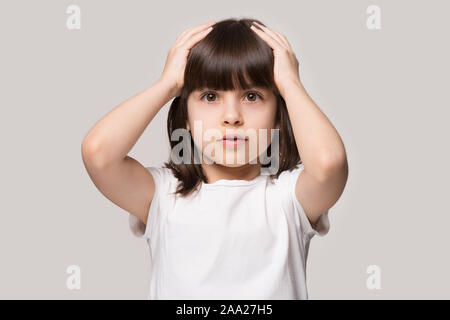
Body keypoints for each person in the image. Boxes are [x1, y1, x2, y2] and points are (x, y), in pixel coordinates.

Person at [81, 18, 348, 300]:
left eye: (252, 96)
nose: (231, 116)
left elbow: (329, 162)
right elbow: (99, 153)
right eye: (210, 96)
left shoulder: (289, 199)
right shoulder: (162, 196)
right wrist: (167, 84)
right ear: (185, 116)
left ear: (279, 117)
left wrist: (290, 84)